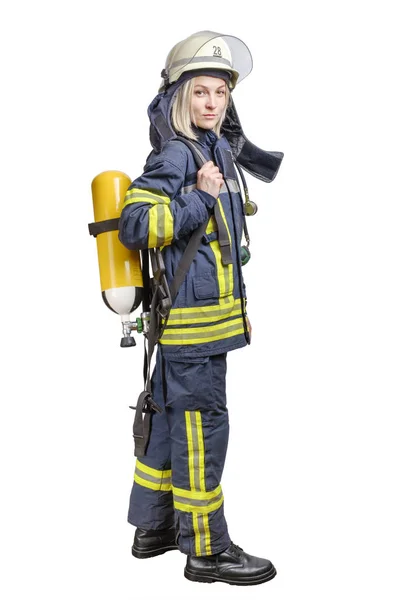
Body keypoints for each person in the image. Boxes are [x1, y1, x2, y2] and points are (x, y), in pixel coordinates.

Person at [118, 30, 283, 586]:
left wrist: (239, 311)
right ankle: (207, 551)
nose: (212, 103)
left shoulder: (214, 151)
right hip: (192, 332)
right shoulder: (176, 154)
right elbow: (138, 226)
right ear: (179, 98)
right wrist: (199, 197)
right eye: (201, 93)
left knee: (169, 424)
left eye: (221, 93)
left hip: (201, 323)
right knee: (202, 431)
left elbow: (222, 252)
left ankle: (154, 527)